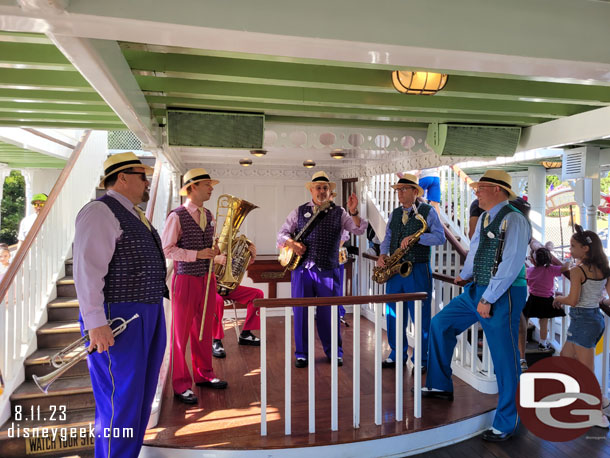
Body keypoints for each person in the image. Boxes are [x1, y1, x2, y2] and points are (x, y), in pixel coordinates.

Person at [424, 169, 530, 442]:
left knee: (505, 358)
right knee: (440, 324)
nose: (476, 191)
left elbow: (511, 264)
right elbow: (475, 249)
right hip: (477, 288)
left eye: (480, 187)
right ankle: (439, 384)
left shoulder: (515, 220)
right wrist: (466, 274)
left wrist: (488, 298)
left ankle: (508, 421)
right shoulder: (484, 218)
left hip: (502, 293)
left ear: (498, 189)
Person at [73, 152, 166, 457]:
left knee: (139, 396)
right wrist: (95, 322)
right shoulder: (100, 212)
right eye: (143, 176)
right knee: (120, 401)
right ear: (123, 177)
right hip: (118, 317)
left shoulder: (133, 213)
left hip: (145, 313)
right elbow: (87, 270)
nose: (147, 182)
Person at [277, 171, 367, 368]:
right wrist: (292, 244)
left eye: (325, 188)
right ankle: (302, 353)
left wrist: (353, 211)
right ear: (311, 190)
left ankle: (334, 352)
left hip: (329, 269)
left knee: (331, 313)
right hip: (302, 270)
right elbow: (281, 234)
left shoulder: (340, 212)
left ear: (329, 191)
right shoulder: (298, 211)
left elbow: (359, 230)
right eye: (318, 187)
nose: (322, 191)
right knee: (301, 313)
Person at [162, 168, 228, 404]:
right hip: (186, 280)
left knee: (204, 330)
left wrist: (214, 250)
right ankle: (180, 385)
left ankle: (204, 375)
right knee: (180, 335)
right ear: (193, 188)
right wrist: (197, 254)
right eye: (207, 185)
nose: (211, 189)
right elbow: (167, 249)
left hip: (207, 280)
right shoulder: (176, 216)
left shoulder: (209, 214)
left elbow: (207, 246)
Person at [376, 173, 445, 370]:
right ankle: (396, 353)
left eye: (404, 189)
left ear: (415, 191)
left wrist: (418, 238)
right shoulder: (395, 213)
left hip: (417, 269)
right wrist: (382, 254)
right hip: (395, 270)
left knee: (420, 316)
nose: (399, 193)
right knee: (393, 313)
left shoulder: (428, 211)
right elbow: (388, 237)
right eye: (398, 190)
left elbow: (440, 238)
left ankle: (421, 360)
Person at [554, 225, 610, 428]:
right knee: (565, 358)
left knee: (586, 369)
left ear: (585, 249)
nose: (571, 249)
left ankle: (598, 414)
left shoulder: (577, 271)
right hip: (594, 319)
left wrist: (558, 298)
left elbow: (573, 300)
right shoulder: (604, 268)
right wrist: (599, 297)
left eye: (573, 246)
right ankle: (597, 398)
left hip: (583, 321)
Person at [518, 241, 567, 370]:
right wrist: (570, 262)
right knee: (543, 323)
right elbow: (565, 268)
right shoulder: (551, 269)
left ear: (534, 260)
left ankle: (524, 339)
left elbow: (527, 281)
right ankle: (543, 343)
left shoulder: (530, 270)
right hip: (546, 300)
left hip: (533, 299)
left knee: (525, 317)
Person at [212, 243, 263, 358]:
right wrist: (215, 260)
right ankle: (216, 340)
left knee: (257, 294)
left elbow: (237, 266)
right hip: (209, 287)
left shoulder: (227, 243)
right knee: (217, 301)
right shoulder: (202, 241)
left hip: (227, 286)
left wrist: (249, 257)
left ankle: (246, 333)